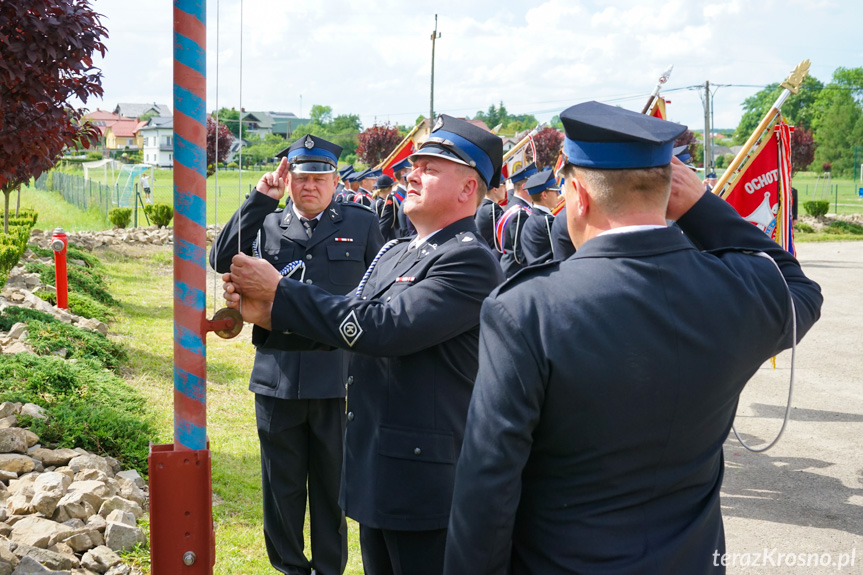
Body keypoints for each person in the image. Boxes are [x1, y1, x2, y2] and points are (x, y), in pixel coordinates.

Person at [444, 100, 823, 575]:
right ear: (672, 192)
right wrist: (705, 207)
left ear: (577, 196)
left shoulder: (527, 309)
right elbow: (799, 288)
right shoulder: (739, 290)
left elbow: (487, 484)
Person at [222, 115, 504, 575]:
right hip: (380, 467)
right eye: (413, 165)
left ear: (468, 188)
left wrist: (282, 292)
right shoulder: (398, 251)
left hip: (425, 480)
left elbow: (382, 329)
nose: (408, 174)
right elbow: (347, 314)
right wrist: (266, 312)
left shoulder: (469, 259)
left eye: (429, 167)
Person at [210, 133, 384, 575]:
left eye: (320, 177)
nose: (310, 186)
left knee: (332, 486)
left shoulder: (362, 224)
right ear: (289, 180)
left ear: (335, 180)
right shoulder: (267, 222)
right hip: (278, 372)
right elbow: (220, 257)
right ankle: (290, 568)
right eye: (301, 177)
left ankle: (329, 569)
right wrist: (258, 201)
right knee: (281, 486)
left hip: (337, 374)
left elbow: (381, 286)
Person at [498, 162, 538, 278]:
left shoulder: (517, 206)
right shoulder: (520, 213)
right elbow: (520, 254)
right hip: (515, 273)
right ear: (524, 187)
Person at [520, 169, 562, 265]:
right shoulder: (547, 221)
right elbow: (561, 252)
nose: (558, 194)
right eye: (555, 191)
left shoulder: (529, 220)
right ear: (544, 195)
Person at [473, 180, 506, 258]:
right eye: (503, 187)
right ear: (495, 189)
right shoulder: (493, 209)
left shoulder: (480, 205)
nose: (506, 190)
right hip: (495, 256)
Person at [371, 174, 398, 241]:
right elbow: (384, 225)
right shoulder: (383, 203)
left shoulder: (375, 202)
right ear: (389, 188)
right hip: (385, 238)